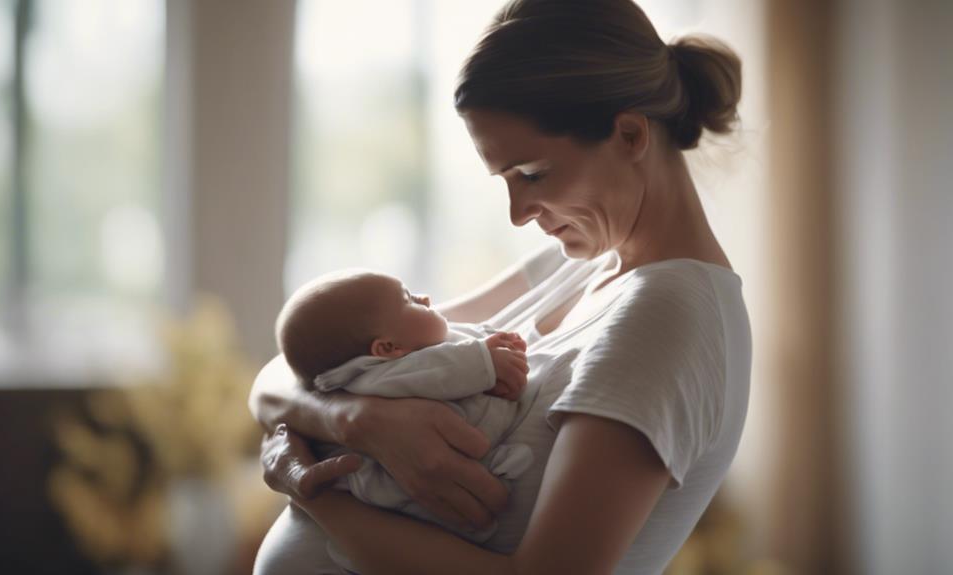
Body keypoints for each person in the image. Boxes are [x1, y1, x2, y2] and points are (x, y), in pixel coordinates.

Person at [250, 0, 752, 572]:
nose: (517, 213)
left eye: (533, 174)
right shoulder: (577, 267)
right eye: (505, 180)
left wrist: (316, 498)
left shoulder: (669, 317)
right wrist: (358, 422)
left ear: (631, 134)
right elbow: (286, 370)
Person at [273, 269, 535, 568]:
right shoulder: (381, 375)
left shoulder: (373, 369)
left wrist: (486, 344)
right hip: (401, 496)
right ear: (387, 348)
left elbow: (451, 348)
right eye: (408, 299)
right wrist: (487, 361)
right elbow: (441, 368)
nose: (424, 298)